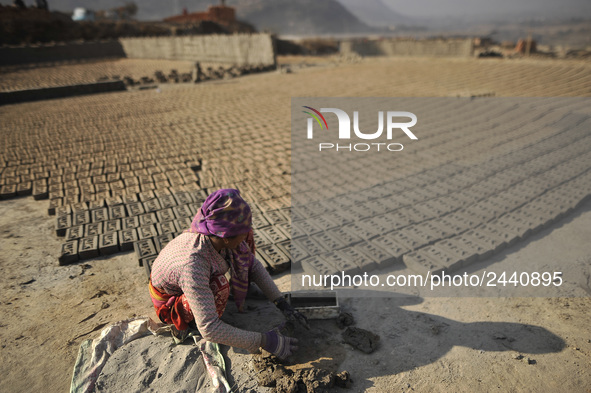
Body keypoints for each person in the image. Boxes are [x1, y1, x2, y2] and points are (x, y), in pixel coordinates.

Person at [148, 188, 308, 359]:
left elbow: (253, 266)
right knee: (220, 286)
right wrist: (264, 340)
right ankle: (190, 322)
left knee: (239, 255)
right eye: (243, 232)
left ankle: (214, 300)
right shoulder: (193, 264)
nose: (247, 234)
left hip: (192, 281)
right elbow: (210, 329)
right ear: (225, 237)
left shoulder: (214, 236)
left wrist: (281, 302)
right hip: (170, 302)